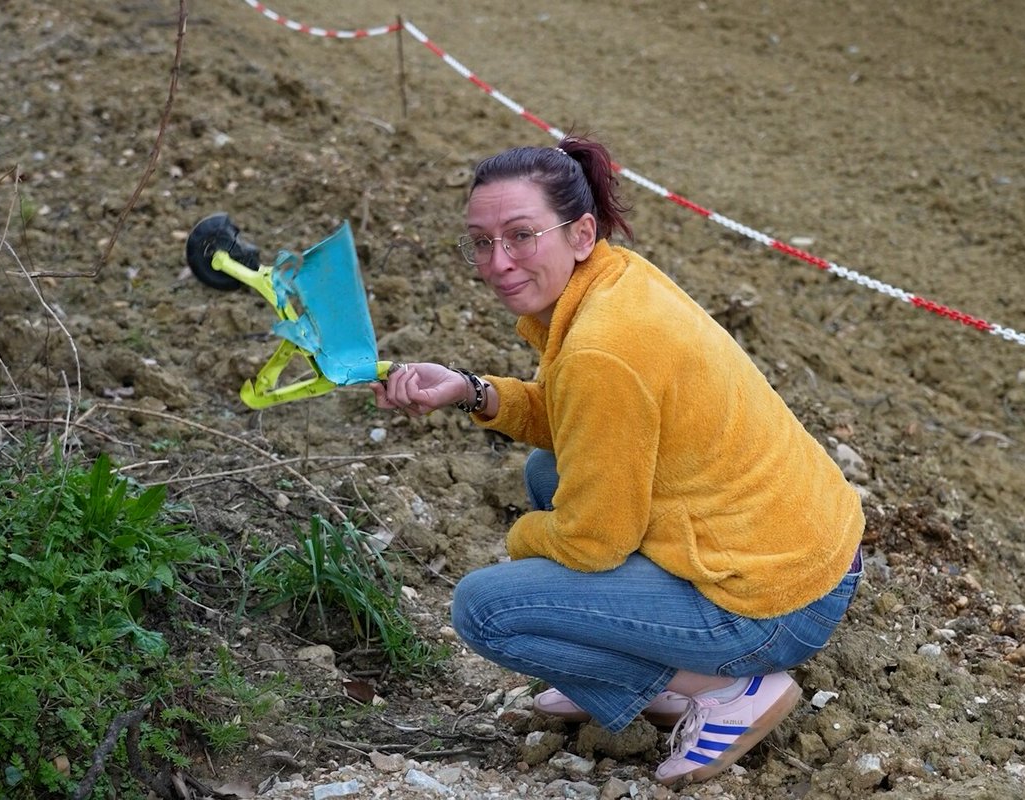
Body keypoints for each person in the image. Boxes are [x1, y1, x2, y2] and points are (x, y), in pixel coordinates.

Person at [370, 134, 865, 787]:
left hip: (773, 606)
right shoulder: (617, 277)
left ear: (579, 233)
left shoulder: (602, 349)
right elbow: (584, 422)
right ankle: (617, 665)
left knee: (485, 609)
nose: (497, 262)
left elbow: (595, 541)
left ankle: (727, 692)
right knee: (548, 474)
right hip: (803, 552)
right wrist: (472, 390)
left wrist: (526, 542)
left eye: (521, 236)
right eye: (482, 242)